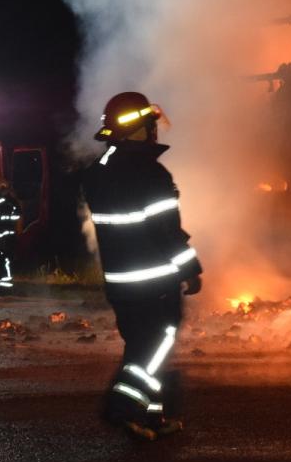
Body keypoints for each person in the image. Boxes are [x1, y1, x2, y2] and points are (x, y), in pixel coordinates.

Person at [81, 92, 202, 440]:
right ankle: (122, 406)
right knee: (156, 345)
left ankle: (154, 416)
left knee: (140, 346)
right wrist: (190, 268)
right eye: (150, 126)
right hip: (155, 281)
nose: (154, 132)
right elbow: (166, 232)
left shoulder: (98, 173)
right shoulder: (150, 174)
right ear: (137, 131)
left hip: (120, 283)